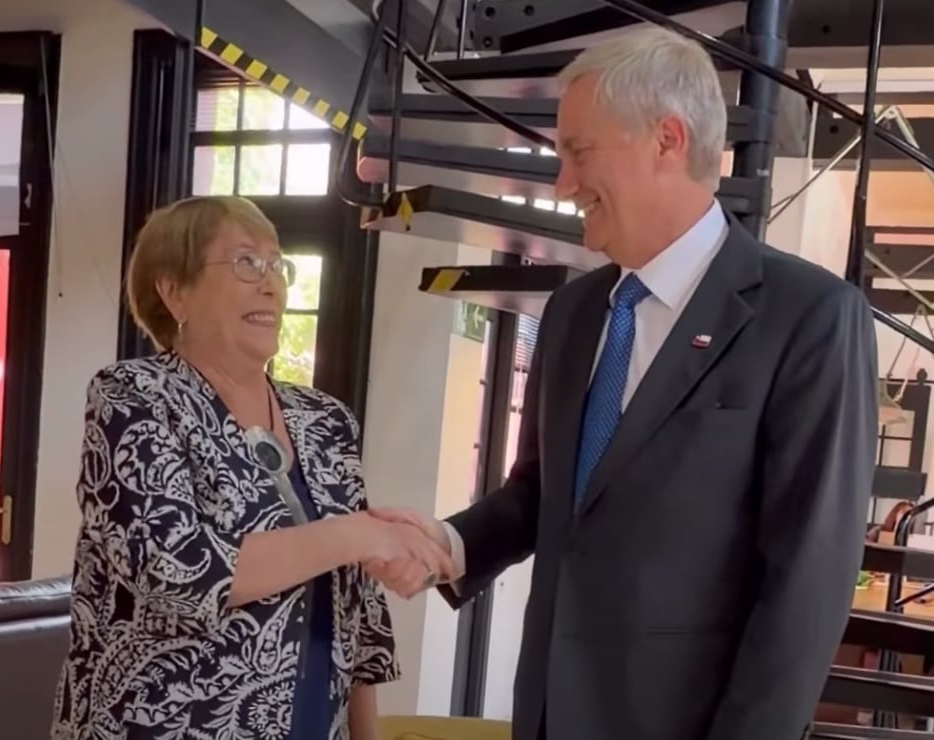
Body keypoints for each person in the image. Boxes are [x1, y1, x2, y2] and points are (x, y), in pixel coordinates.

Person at [368, 25, 878, 740]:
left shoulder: (810, 318)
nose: (562, 184)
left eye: (579, 153)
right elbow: (542, 494)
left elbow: (806, 587)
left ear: (667, 139)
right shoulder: (573, 312)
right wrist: (450, 544)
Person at [50, 195, 454, 740]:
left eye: (276, 264)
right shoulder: (134, 396)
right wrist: (357, 533)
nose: (271, 284)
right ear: (174, 292)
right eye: (245, 263)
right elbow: (174, 571)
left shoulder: (326, 420)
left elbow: (359, 618)